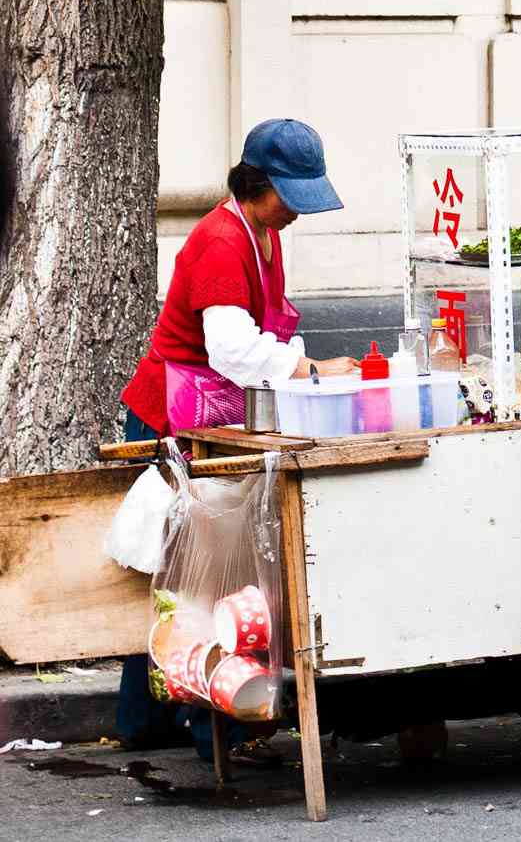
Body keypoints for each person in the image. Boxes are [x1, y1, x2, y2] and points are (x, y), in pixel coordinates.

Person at [115, 119, 359, 762]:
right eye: (291, 195)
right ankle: (203, 727)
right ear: (258, 184)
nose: (298, 211)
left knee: (178, 574)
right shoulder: (223, 241)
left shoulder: (264, 235)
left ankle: (146, 720)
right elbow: (230, 349)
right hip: (173, 418)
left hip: (204, 412)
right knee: (199, 574)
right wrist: (308, 370)